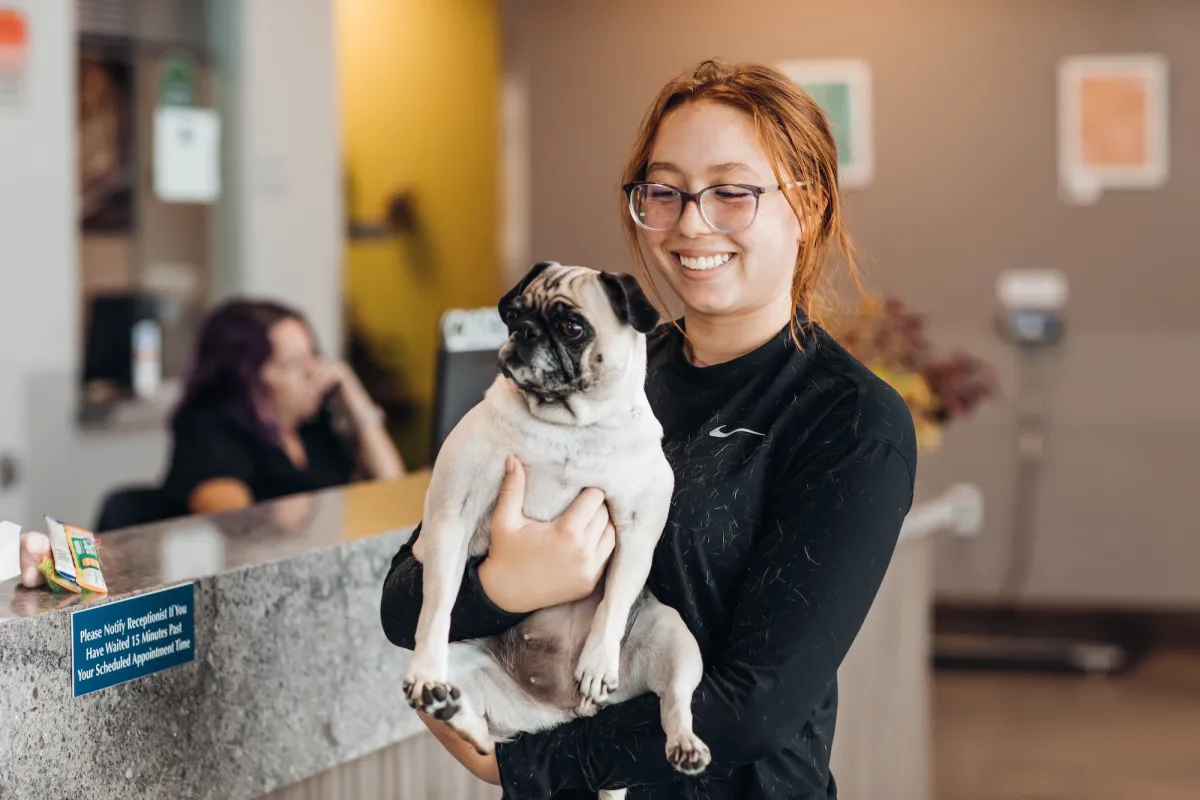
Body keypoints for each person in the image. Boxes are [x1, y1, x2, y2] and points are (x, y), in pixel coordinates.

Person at [379, 58, 917, 799]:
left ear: (811, 205)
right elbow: (400, 604)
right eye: (664, 191)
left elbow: (757, 704)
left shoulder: (848, 421)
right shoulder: (589, 383)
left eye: (733, 192)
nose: (692, 222)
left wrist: (524, 767)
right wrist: (506, 583)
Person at [160, 298, 405, 515]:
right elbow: (238, 529)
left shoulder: (312, 429)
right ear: (248, 377)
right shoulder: (210, 432)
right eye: (293, 363)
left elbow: (393, 493)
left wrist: (356, 401)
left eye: (313, 355)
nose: (314, 371)